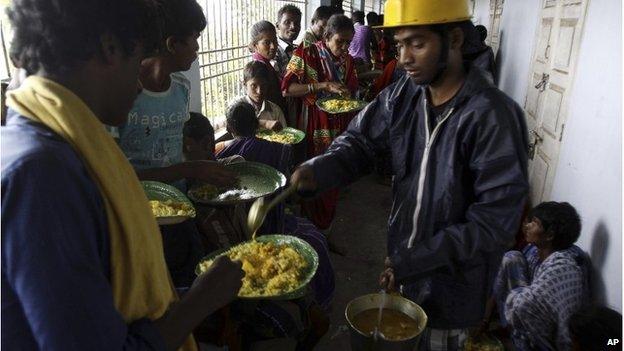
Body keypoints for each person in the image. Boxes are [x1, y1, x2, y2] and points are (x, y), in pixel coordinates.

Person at [1, 0, 244, 350]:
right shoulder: (42, 175)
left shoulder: (44, 142)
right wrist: (201, 301)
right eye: (138, 59)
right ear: (110, 47)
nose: (140, 85)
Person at [290, 0, 529, 349]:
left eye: (417, 43)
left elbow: (494, 223)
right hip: (403, 270)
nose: (403, 58)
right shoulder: (405, 95)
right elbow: (360, 141)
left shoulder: (493, 116)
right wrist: (318, 169)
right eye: (400, 44)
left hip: (452, 291)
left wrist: (416, 259)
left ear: (456, 40)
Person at [111, 0, 232, 288]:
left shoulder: (181, 87)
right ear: (173, 43)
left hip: (179, 208)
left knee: (189, 280)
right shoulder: (122, 94)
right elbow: (116, 177)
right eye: (195, 39)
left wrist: (201, 174)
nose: (198, 48)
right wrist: (190, 169)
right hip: (136, 219)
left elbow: (173, 150)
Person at [217, 101, 335, 349]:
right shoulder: (277, 150)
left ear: (228, 127)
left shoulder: (221, 158)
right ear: (256, 125)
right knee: (313, 239)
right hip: (273, 221)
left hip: (251, 225)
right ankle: (309, 308)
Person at [282, 14, 357, 232]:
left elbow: (351, 87)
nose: (344, 47)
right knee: (313, 175)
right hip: (315, 125)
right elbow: (287, 89)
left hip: (340, 124)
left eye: (348, 43)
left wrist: (348, 94)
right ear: (326, 36)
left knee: (333, 177)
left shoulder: (347, 60)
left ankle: (325, 230)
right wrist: (323, 85)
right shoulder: (306, 53)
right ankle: (310, 231)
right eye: (339, 41)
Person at [481, 202, 589, 350]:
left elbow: (524, 307)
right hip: (531, 318)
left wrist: (515, 299)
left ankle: (521, 343)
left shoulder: (564, 266)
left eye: (534, 223)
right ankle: (512, 333)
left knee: (521, 304)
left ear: (550, 235)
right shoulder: (535, 250)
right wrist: (485, 320)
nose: (527, 226)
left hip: (553, 342)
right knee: (512, 257)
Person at [233, 60, 287, 131]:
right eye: (254, 86)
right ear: (244, 84)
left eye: (263, 86)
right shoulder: (237, 106)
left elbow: (285, 135)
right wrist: (265, 123)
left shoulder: (275, 111)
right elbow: (232, 125)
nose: (259, 91)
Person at [248, 21, 287, 116]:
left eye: (275, 41)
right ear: (255, 45)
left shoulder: (267, 64)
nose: (273, 46)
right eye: (267, 42)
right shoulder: (257, 70)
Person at [274, 4, 302, 77]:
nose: (293, 27)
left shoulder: (297, 49)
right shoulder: (274, 52)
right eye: (287, 22)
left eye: (297, 23)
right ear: (277, 26)